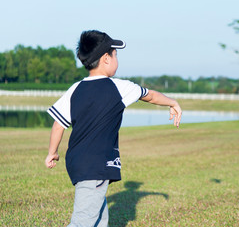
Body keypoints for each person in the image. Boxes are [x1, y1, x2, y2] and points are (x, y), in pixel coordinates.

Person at [45, 30, 182, 227]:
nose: (117, 59)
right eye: (116, 54)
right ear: (106, 58)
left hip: (77, 162)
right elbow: (150, 95)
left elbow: (58, 124)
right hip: (96, 165)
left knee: (100, 218)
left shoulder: (75, 89)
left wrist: (52, 152)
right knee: (83, 221)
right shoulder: (118, 88)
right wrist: (172, 102)